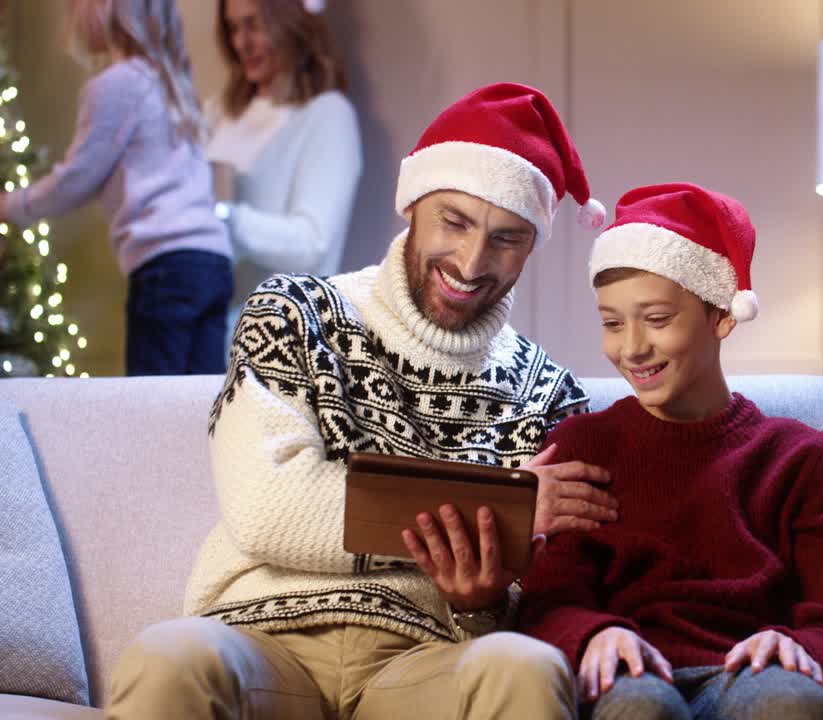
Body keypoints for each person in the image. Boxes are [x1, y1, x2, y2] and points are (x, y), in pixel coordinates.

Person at [105, 83, 615, 720]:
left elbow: (549, 593)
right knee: (166, 659)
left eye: (506, 238)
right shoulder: (293, 313)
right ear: (413, 205)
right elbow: (270, 508)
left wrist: (478, 602)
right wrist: (496, 500)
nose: (471, 259)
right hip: (258, 641)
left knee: (526, 668)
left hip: (425, 659)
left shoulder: (554, 398)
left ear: (531, 247)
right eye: (454, 221)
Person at [517, 183, 823, 720]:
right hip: (628, 677)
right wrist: (593, 633)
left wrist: (805, 648)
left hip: (752, 677)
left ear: (722, 317)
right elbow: (547, 603)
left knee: (788, 703)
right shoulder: (578, 447)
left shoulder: (802, 460)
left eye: (656, 319)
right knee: (637, 708)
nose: (631, 347)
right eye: (612, 323)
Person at [0, 0, 233, 376]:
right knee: (201, 400)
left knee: (148, 402)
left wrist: (12, 205)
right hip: (213, 261)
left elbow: (76, 178)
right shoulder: (173, 84)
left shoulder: (114, 86)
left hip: (165, 268)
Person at [206, 0, 362, 350]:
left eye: (254, 26)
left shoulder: (327, 116)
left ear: (291, 24)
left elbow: (312, 243)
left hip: (278, 344)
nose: (241, 42)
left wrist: (225, 219)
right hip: (203, 332)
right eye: (232, 28)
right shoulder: (219, 113)